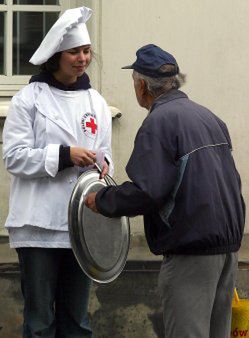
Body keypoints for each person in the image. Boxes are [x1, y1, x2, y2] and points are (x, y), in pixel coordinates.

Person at [85, 44, 245, 338]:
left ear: (142, 86)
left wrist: (103, 199)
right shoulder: (208, 117)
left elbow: (148, 192)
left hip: (191, 250)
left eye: (134, 83)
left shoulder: (158, 122)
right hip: (227, 248)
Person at [3, 6, 113, 338]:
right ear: (56, 56)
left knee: (77, 320)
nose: (82, 58)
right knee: (39, 322)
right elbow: (14, 157)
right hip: (37, 223)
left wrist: (103, 166)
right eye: (74, 52)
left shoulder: (97, 102)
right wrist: (65, 155)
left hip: (80, 228)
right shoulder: (28, 100)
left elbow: (105, 156)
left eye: (86, 51)